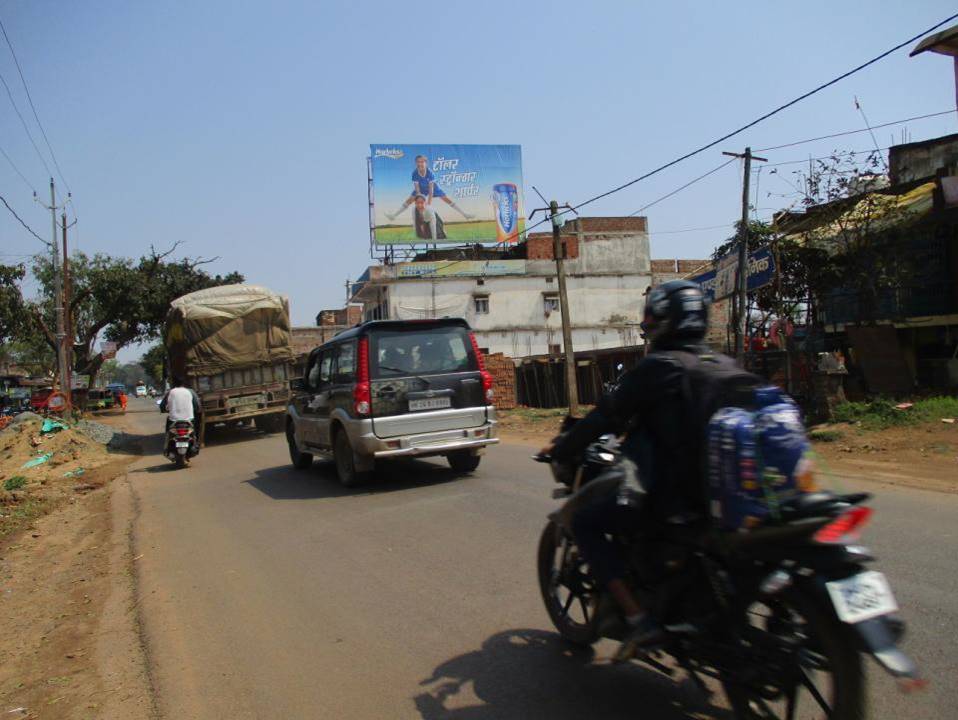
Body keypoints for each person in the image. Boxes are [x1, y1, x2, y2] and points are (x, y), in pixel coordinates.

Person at [541, 280, 717, 660]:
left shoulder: (659, 368)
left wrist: (562, 445)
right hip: (717, 500)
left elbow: (605, 416)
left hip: (672, 500)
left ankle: (639, 619)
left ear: (661, 323)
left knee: (586, 523)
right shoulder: (720, 365)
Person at [386, 155, 474, 221]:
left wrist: (428, 204)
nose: (420, 163)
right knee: (409, 200)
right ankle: (393, 216)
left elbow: (431, 191)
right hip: (421, 188)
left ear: (426, 163)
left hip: (432, 188)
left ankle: (465, 214)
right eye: (418, 162)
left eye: (422, 162)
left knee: (446, 199)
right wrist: (421, 203)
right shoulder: (414, 173)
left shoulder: (430, 173)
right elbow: (417, 190)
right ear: (416, 163)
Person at [159, 377, 202, 456]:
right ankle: (196, 444)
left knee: (168, 433)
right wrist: (196, 410)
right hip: (189, 420)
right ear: (184, 384)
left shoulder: (170, 392)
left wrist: (163, 410)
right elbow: (197, 406)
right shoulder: (190, 391)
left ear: (173, 384)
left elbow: (162, 406)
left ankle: (167, 447)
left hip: (173, 421)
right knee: (195, 430)